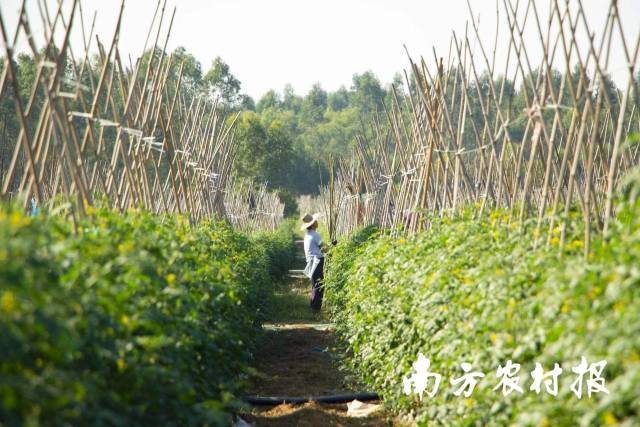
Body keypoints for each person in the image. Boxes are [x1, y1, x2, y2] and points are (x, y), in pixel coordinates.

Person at [301, 213, 325, 311]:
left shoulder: (307, 235)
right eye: (316, 221)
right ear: (313, 224)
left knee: (315, 284)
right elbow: (324, 248)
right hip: (317, 261)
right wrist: (332, 246)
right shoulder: (315, 235)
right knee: (319, 285)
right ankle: (315, 308)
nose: (317, 222)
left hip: (310, 262)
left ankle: (313, 305)